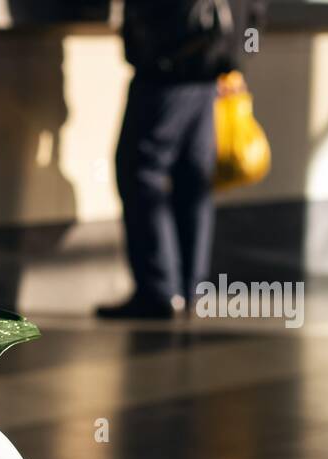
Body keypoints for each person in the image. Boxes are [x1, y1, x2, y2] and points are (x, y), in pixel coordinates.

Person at [97, 0, 266, 320]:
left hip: (168, 61)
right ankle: (189, 288)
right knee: (194, 178)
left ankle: (159, 290)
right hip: (210, 66)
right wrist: (237, 56)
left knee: (141, 172)